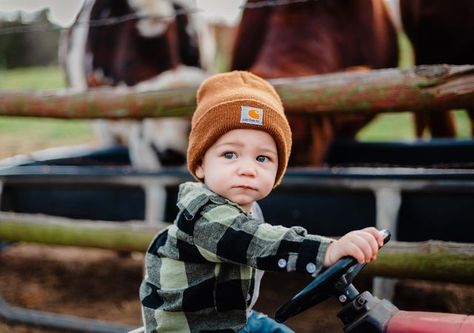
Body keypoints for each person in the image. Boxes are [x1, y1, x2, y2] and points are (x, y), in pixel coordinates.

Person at [139, 71, 384, 332]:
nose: (248, 169)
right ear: (200, 165)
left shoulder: (249, 209)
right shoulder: (205, 215)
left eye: (262, 158)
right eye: (230, 154)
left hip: (236, 320)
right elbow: (254, 240)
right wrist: (326, 250)